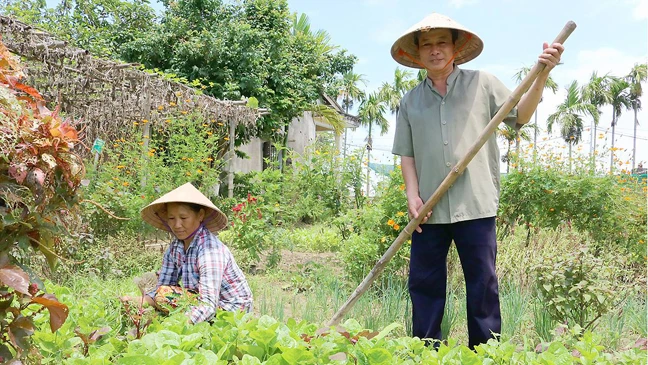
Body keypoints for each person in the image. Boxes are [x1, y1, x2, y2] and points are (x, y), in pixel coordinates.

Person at [390, 13, 563, 348]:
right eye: (427, 44)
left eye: (442, 42)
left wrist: (544, 73)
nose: (435, 50)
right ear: (418, 53)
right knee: (424, 283)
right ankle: (426, 351)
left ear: (455, 47)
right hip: (429, 209)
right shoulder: (410, 101)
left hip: (476, 203)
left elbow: (520, 116)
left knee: (482, 285)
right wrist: (412, 195)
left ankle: (486, 353)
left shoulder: (482, 83)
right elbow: (406, 155)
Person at [122, 182, 253, 324]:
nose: (177, 225)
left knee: (173, 313)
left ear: (200, 215)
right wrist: (139, 301)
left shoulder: (210, 251)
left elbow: (208, 305)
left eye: (183, 218)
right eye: (171, 218)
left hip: (231, 311)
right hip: (202, 301)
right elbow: (163, 289)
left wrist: (178, 325)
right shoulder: (175, 247)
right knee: (162, 295)